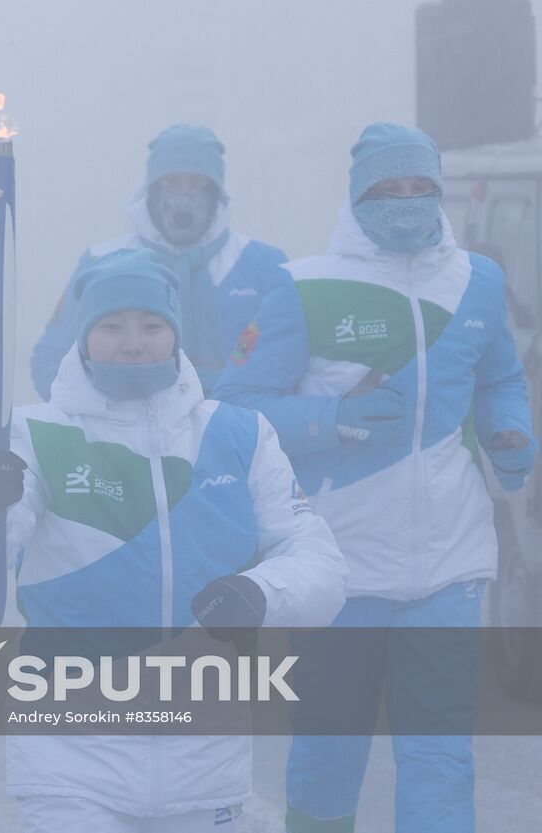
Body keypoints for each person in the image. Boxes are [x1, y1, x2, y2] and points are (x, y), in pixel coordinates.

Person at [0, 248, 347, 833]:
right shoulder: (33, 435)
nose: (133, 343)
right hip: (69, 756)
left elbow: (321, 567)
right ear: (82, 338)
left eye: (152, 326)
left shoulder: (239, 434)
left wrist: (260, 592)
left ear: (175, 335)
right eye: (111, 326)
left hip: (206, 758)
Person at [214, 123, 537, 833]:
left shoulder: (477, 281)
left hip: (449, 567)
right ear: (358, 197)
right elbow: (235, 410)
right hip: (340, 574)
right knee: (330, 754)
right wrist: (333, 419)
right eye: (389, 189)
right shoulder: (302, 287)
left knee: (442, 757)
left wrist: (511, 437)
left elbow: (500, 377)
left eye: (421, 188)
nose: (408, 202)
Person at [31, 124, 290, 399]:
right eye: (171, 182)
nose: (183, 195)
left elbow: (287, 361)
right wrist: (106, 418)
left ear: (217, 191)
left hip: (232, 431)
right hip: (124, 431)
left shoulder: (263, 265)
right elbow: (50, 360)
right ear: (151, 190)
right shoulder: (102, 263)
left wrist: (240, 421)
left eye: (197, 182)